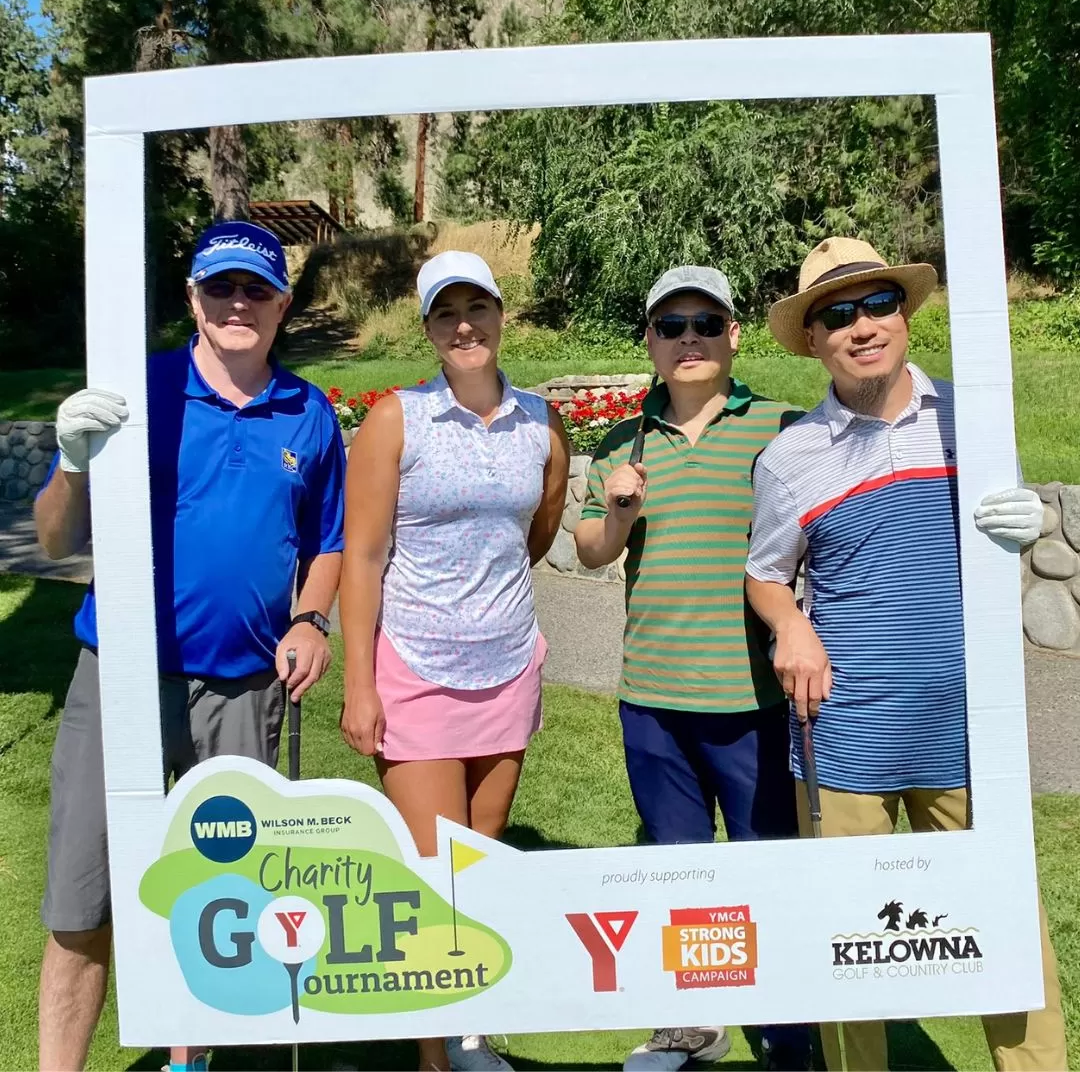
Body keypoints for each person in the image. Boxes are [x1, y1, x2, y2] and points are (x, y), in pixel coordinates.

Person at [744, 236, 1068, 1072]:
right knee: (848, 949)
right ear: (812, 340)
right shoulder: (790, 458)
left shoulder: (975, 423)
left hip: (969, 734)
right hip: (846, 737)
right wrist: (792, 625)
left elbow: (1000, 541)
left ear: (906, 316)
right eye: (836, 314)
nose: (861, 326)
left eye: (876, 304)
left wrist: (1025, 519)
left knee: (1008, 935)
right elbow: (766, 575)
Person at [36, 221, 345, 1072]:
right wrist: (71, 464)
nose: (237, 304)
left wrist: (311, 619)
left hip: (245, 687)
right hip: (121, 678)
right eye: (220, 288)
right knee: (80, 898)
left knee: (225, 896)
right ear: (193, 300)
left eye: (255, 290)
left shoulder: (309, 412)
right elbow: (57, 541)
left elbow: (329, 542)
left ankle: (189, 1060)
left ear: (283, 304)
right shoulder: (139, 394)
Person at [574, 267, 812, 1072]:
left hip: (750, 699)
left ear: (734, 334)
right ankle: (691, 1019)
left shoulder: (784, 430)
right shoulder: (621, 444)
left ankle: (784, 1032)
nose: (688, 340)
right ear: (649, 342)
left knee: (762, 865)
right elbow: (592, 552)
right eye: (670, 327)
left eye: (705, 323)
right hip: (652, 699)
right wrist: (616, 510)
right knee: (678, 867)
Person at [338, 250, 570, 1072]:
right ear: (429, 328)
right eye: (446, 313)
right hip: (414, 666)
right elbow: (362, 557)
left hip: (507, 663)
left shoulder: (543, 422)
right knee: (431, 868)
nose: (465, 325)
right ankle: (435, 1055)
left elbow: (535, 535)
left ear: (504, 317)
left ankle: (470, 1028)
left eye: (479, 308)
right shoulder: (395, 418)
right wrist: (359, 685)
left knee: (484, 852)